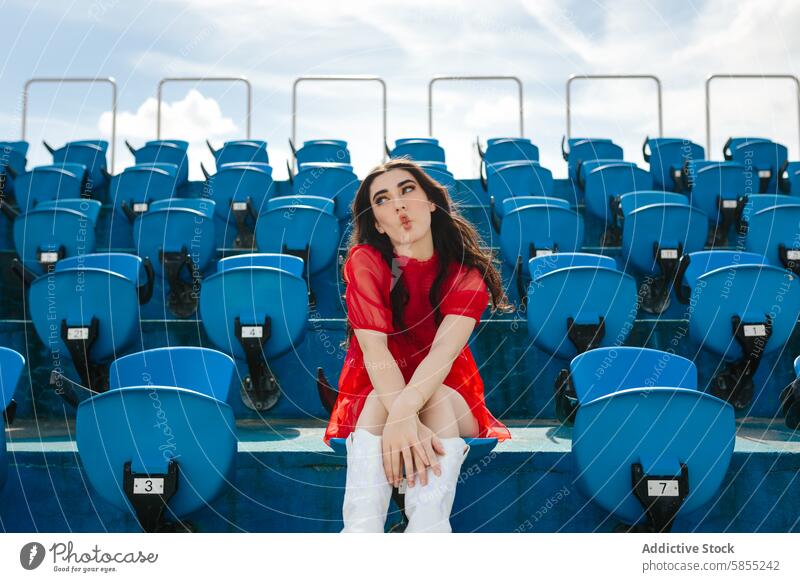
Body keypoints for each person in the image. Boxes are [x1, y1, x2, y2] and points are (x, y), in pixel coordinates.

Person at [325, 158, 512, 533]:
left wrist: (405, 415)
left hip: (447, 388)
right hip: (376, 388)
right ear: (377, 223)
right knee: (381, 400)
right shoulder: (366, 261)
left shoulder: (465, 272)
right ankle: (361, 535)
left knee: (438, 400)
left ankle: (426, 534)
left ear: (430, 201)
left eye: (407, 190)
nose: (398, 204)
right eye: (382, 199)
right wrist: (405, 416)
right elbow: (375, 352)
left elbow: (443, 355)